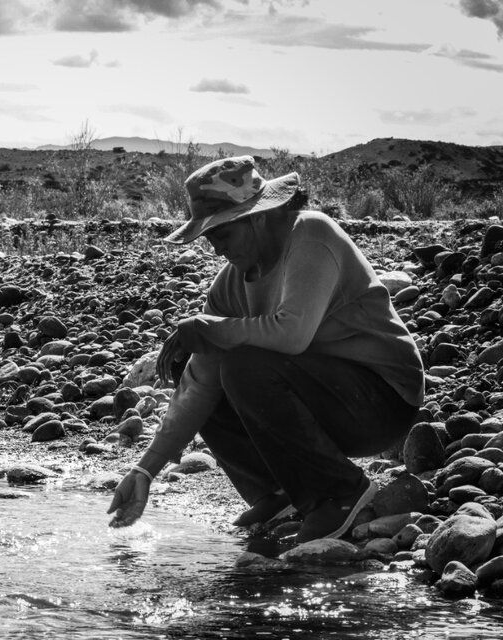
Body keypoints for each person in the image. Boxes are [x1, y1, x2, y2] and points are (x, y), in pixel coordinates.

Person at [107, 155, 425, 543]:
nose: (218, 250)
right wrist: (144, 472)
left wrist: (212, 329)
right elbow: (198, 385)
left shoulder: (311, 234)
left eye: (223, 235)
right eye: (211, 239)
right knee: (192, 362)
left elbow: (292, 334)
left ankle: (339, 492)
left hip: (381, 401)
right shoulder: (229, 285)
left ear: (256, 216)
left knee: (244, 363)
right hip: (321, 396)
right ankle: (276, 490)